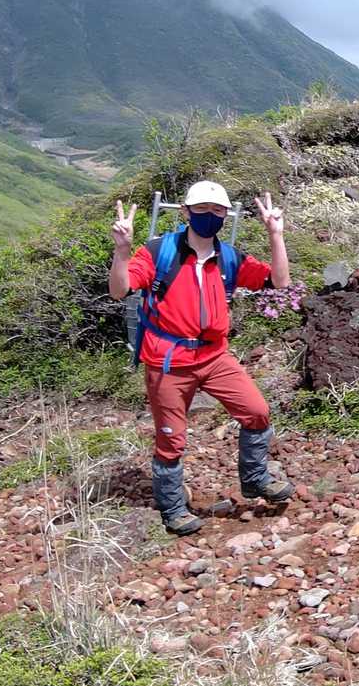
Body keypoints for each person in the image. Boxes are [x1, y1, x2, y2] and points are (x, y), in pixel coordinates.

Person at [109, 181, 293, 535]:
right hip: (168, 361)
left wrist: (276, 235)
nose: (210, 215)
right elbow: (120, 290)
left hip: (214, 356)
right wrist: (122, 250)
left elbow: (279, 282)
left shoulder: (229, 257)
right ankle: (172, 507)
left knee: (256, 411)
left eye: (217, 210)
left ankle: (255, 478)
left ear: (226, 214)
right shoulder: (159, 252)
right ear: (186, 212)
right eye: (202, 209)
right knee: (171, 438)